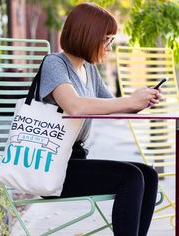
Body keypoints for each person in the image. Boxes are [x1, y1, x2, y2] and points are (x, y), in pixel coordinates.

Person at [40, 3, 160, 236]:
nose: (109, 47)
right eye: (107, 39)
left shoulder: (89, 70)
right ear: (88, 36)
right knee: (131, 177)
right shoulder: (54, 64)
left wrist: (141, 100)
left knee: (149, 174)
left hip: (75, 160)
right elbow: (74, 106)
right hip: (50, 166)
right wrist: (128, 102)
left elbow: (113, 107)